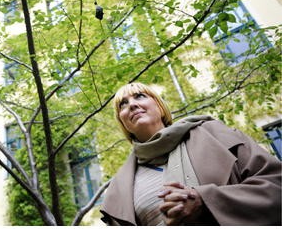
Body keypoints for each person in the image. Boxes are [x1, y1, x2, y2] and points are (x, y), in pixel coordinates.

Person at [100, 82, 282, 226]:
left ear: (160, 106)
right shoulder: (119, 189)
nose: (132, 105)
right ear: (122, 123)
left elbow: (275, 184)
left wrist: (206, 201)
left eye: (140, 96)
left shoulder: (213, 133)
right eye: (123, 104)